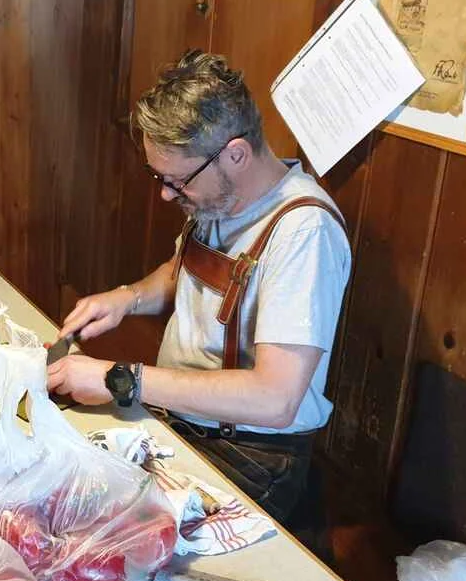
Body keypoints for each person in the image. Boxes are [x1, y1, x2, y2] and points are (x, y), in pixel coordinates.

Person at [47, 50, 352, 524]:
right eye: (159, 177)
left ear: (235, 153)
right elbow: (184, 271)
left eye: (177, 180)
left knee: (102, 537)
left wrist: (119, 379)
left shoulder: (303, 233)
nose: (166, 195)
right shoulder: (219, 199)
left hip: (250, 453)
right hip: (182, 419)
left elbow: (276, 399)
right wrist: (128, 298)